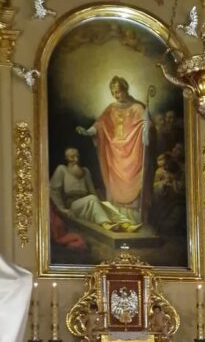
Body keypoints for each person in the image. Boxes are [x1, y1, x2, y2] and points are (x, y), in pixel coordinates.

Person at [76, 76, 153, 216]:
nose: (116, 95)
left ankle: (134, 218)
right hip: (114, 154)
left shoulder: (137, 108)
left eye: (118, 91)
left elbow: (145, 126)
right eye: (113, 93)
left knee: (134, 182)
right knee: (114, 185)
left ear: (125, 89)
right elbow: (100, 124)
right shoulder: (111, 108)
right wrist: (88, 131)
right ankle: (117, 217)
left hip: (133, 153)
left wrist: (146, 129)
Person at [49, 147, 138, 231]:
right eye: (72, 157)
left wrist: (101, 204)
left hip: (89, 202)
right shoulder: (62, 169)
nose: (76, 159)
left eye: (77, 156)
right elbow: (54, 191)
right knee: (92, 199)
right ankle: (105, 223)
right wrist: (62, 209)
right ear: (67, 158)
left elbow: (92, 191)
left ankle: (125, 224)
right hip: (73, 206)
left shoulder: (85, 171)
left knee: (105, 204)